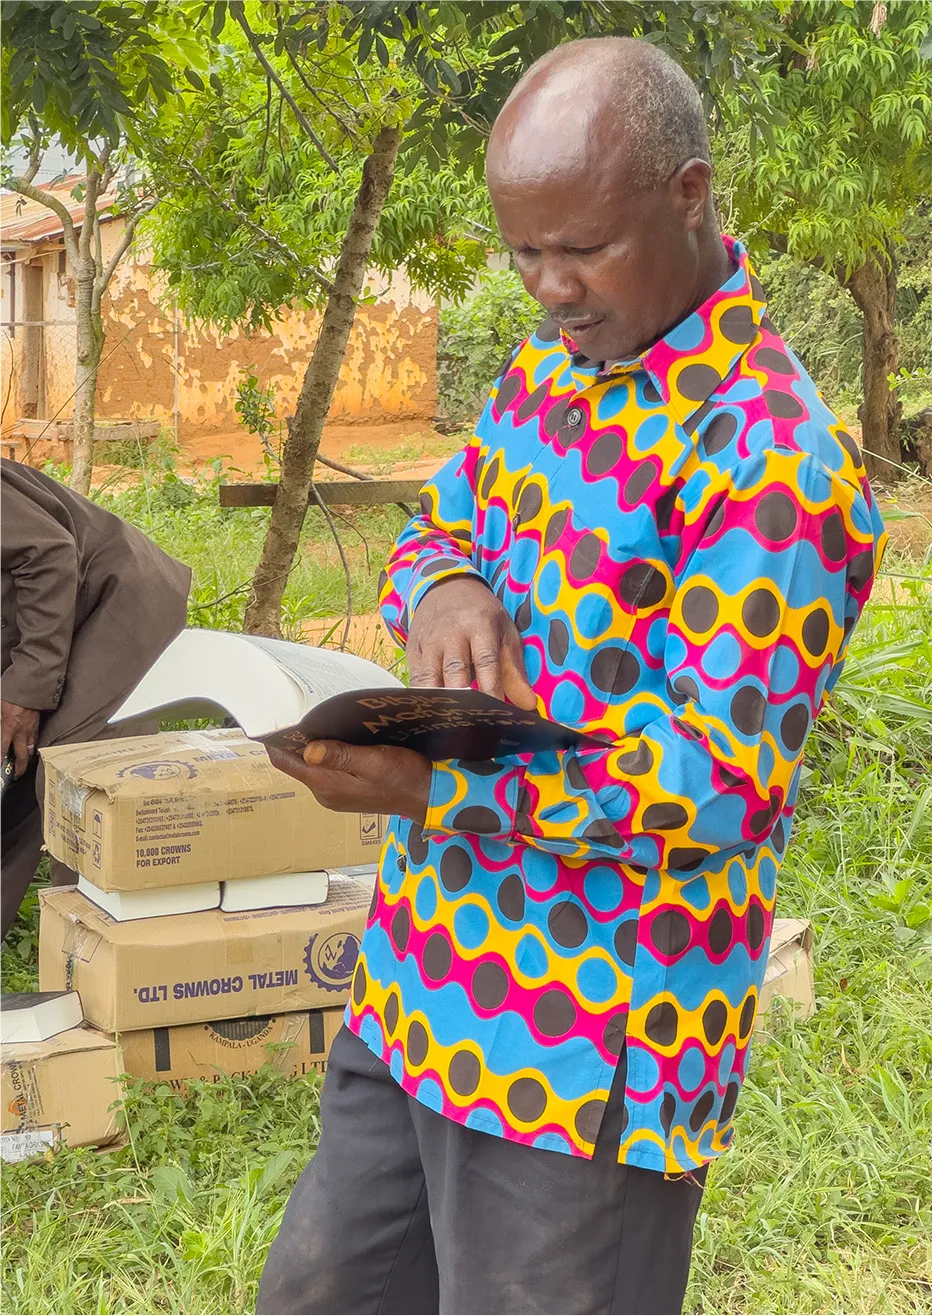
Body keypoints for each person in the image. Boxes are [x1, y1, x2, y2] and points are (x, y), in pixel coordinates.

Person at [258, 36, 886, 1316]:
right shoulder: (546, 371)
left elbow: (711, 783)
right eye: (522, 252)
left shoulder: (770, 461)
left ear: (688, 192)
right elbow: (445, 518)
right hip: (420, 982)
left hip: (590, 1040)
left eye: (580, 247)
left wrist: (431, 791)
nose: (548, 286)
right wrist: (446, 589)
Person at [1, 458, 191, 936]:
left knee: (73, 776)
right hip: (47, 624)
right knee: (11, 774)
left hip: (113, 599)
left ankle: (100, 966)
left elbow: (47, 554)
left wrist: (25, 692)